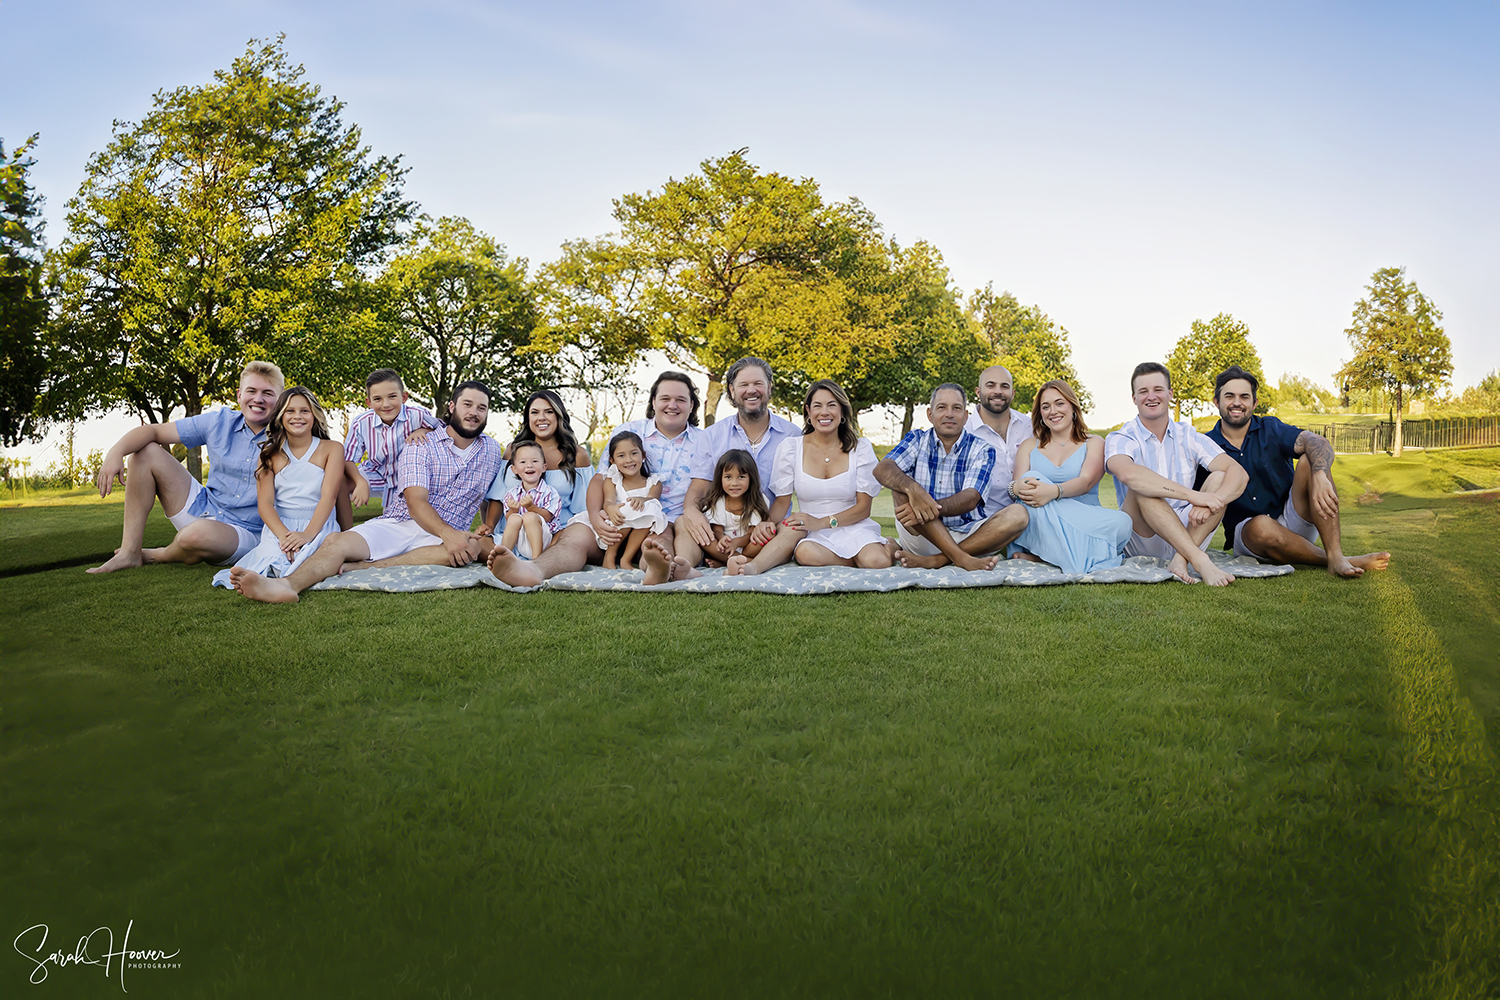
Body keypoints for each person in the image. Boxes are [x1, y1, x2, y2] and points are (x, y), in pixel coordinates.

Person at [231, 382, 505, 603]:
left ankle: (365, 567)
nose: (474, 412)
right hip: (401, 522)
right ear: (452, 406)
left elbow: (494, 495)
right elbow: (415, 500)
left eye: (482, 407)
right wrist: (448, 535)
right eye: (468, 404)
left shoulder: (493, 450)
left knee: (467, 548)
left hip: (449, 534)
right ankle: (287, 586)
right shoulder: (421, 443)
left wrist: (488, 525)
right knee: (336, 543)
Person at [488, 372, 704, 588]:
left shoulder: (704, 441)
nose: (672, 405)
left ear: (692, 404)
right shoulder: (629, 431)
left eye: (680, 400)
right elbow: (600, 478)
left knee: (658, 543)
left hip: (662, 520)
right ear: (654, 402)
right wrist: (596, 515)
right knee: (574, 538)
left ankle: (656, 570)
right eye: (665, 398)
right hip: (613, 517)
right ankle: (533, 569)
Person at [88, 361, 285, 574]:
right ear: (239, 395)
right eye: (251, 391)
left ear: (281, 400)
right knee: (144, 453)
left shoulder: (289, 438)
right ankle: (129, 552)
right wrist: (115, 452)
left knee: (196, 535)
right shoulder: (219, 421)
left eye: (267, 393)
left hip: (245, 533)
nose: (258, 399)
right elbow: (154, 431)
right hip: (203, 507)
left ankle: (157, 554)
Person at [1205, 365, 1390, 578]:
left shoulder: (1270, 428)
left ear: (1254, 403)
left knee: (1310, 459)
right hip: (1250, 535)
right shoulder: (1205, 444)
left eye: (1244, 397)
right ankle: (1336, 560)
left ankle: (1336, 554)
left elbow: (1316, 441)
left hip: (1294, 517)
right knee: (1261, 526)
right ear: (1217, 402)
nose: (1237, 402)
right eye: (1229, 396)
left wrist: (1320, 475)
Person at [726, 380, 893, 576]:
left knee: (877, 561)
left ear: (842, 412)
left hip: (852, 524)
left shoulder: (861, 448)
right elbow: (782, 502)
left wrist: (821, 522)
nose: (824, 412)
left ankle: (889, 546)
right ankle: (753, 567)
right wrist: (767, 521)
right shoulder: (791, 448)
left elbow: (863, 508)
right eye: (817, 406)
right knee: (805, 554)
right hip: (809, 529)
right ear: (808, 411)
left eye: (832, 405)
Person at [1104, 362, 1248, 586]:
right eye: (1143, 391)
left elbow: (1238, 473)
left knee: (1220, 478)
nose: (1151, 397)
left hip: (1190, 528)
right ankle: (1200, 560)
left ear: (1170, 394)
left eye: (1158, 390)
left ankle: (1181, 558)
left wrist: (1212, 501)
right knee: (1142, 487)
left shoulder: (1188, 435)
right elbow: (1128, 475)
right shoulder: (1121, 437)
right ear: (1134, 398)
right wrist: (1194, 497)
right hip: (1143, 536)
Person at [874, 383, 1028, 571]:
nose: (949, 414)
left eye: (956, 408)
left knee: (1018, 514)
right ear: (930, 415)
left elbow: (971, 498)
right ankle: (960, 558)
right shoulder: (917, 439)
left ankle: (939, 560)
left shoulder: (982, 448)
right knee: (899, 485)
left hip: (970, 536)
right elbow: (882, 468)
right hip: (921, 535)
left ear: (965, 416)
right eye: (942, 408)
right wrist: (914, 490)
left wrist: (930, 507)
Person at [212, 386, 345, 588]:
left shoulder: (332, 449)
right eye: (290, 411)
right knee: (275, 557)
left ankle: (279, 581)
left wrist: (307, 534)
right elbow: (265, 504)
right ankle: (266, 575)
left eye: (304, 411)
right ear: (280, 417)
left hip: (319, 525)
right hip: (280, 527)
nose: (297, 416)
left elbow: (329, 497)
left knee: (310, 559)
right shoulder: (269, 454)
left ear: (314, 415)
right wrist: (284, 537)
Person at [675, 357, 800, 569]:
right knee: (683, 522)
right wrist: (691, 511)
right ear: (732, 391)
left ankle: (752, 563)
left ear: (769, 388)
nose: (751, 390)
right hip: (721, 531)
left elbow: (783, 498)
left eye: (758, 384)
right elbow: (698, 487)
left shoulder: (793, 435)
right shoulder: (712, 436)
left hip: (768, 530)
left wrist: (763, 524)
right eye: (743, 385)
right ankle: (683, 567)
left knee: (793, 527)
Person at [1008, 380, 1133, 574]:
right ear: (1040, 414)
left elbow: (1086, 482)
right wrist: (1016, 488)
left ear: (1073, 407)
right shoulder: (1029, 445)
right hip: (1040, 520)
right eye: (1046, 406)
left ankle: (1046, 556)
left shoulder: (1093, 442)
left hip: (1085, 517)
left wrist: (1053, 492)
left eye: (1060, 403)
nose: (1053, 411)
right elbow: (1017, 487)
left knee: (1123, 522)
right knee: (1032, 476)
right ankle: (1076, 557)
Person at [479, 388, 593, 537]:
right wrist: (489, 527)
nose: (541, 417)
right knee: (472, 546)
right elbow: (499, 498)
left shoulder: (577, 455)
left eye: (549, 412)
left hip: (558, 534)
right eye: (535, 412)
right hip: (512, 535)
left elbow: (583, 509)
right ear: (528, 418)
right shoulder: (512, 450)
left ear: (559, 416)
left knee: (564, 551)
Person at [343, 368, 442, 519]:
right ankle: (341, 529)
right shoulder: (361, 423)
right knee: (340, 482)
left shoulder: (418, 415)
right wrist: (360, 481)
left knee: (402, 520)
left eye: (392, 396)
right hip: (378, 473)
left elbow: (444, 432)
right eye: (378, 399)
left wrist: (424, 430)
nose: (386, 404)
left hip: (410, 476)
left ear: (404, 397)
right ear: (369, 402)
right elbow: (348, 459)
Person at [965, 365, 1033, 516]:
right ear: (978, 392)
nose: (998, 391)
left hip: (1031, 514)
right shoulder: (964, 432)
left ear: (1013, 393)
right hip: (983, 520)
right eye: (990, 385)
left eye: (1004, 386)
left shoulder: (1030, 426)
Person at [600, 430, 666, 570]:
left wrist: (642, 499)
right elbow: (608, 502)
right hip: (615, 523)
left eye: (634, 453)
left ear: (643, 456)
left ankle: (626, 559)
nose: (629, 460)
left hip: (642, 527)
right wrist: (611, 508)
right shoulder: (613, 480)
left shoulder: (653, 482)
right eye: (621, 456)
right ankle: (609, 556)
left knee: (648, 507)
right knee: (628, 509)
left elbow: (653, 499)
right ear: (612, 460)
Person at [697, 449, 770, 564]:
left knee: (768, 533)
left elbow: (752, 533)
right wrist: (722, 539)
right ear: (720, 478)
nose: (734, 483)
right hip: (725, 549)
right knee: (705, 540)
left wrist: (736, 542)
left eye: (741, 477)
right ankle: (740, 561)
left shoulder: (756, 501)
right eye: (728, 477)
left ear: (751, 478)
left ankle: (739, 560)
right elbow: (717, 530)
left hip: (749, 548)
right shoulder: (718, 502)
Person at [497, 441, 563, 561]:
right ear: (515, 469)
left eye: (535, 461)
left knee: (530, 517)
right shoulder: (512, 494)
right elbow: (509, 519)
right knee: (515, 518)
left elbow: (548, 517)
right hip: (521, 539)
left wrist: (531, 507)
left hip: (544, 540)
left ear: (544, 467)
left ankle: (536, 560)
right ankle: (504, 556)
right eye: (523, 462)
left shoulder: (550, 492)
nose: (529, 465)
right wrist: (513, 510)